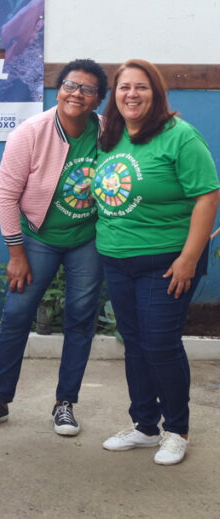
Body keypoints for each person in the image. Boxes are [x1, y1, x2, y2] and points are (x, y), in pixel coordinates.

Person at [0, 59, 109, 435]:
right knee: (17, 315)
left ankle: (65, 403)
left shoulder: (108, 133)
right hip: (38, 239)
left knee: (81, 319)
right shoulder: (31, 131)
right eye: (70, 85)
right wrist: (16, 253)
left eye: (87, 89)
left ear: (98, 99)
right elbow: (5, 195)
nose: (76, 93)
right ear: (58, 88)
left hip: (88, 240)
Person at [95, 59, 219, 466]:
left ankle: (177, 430)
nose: (132, 94)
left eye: (141, 87)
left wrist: (189, 257)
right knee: (134, 345)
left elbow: (207, 195)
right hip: (117, 260)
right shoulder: (110, 136)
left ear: (157, 92)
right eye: (124, 87)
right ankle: (145, 426)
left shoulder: (179, 136)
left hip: (166, 262)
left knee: (161, 345)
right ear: (115, 94)